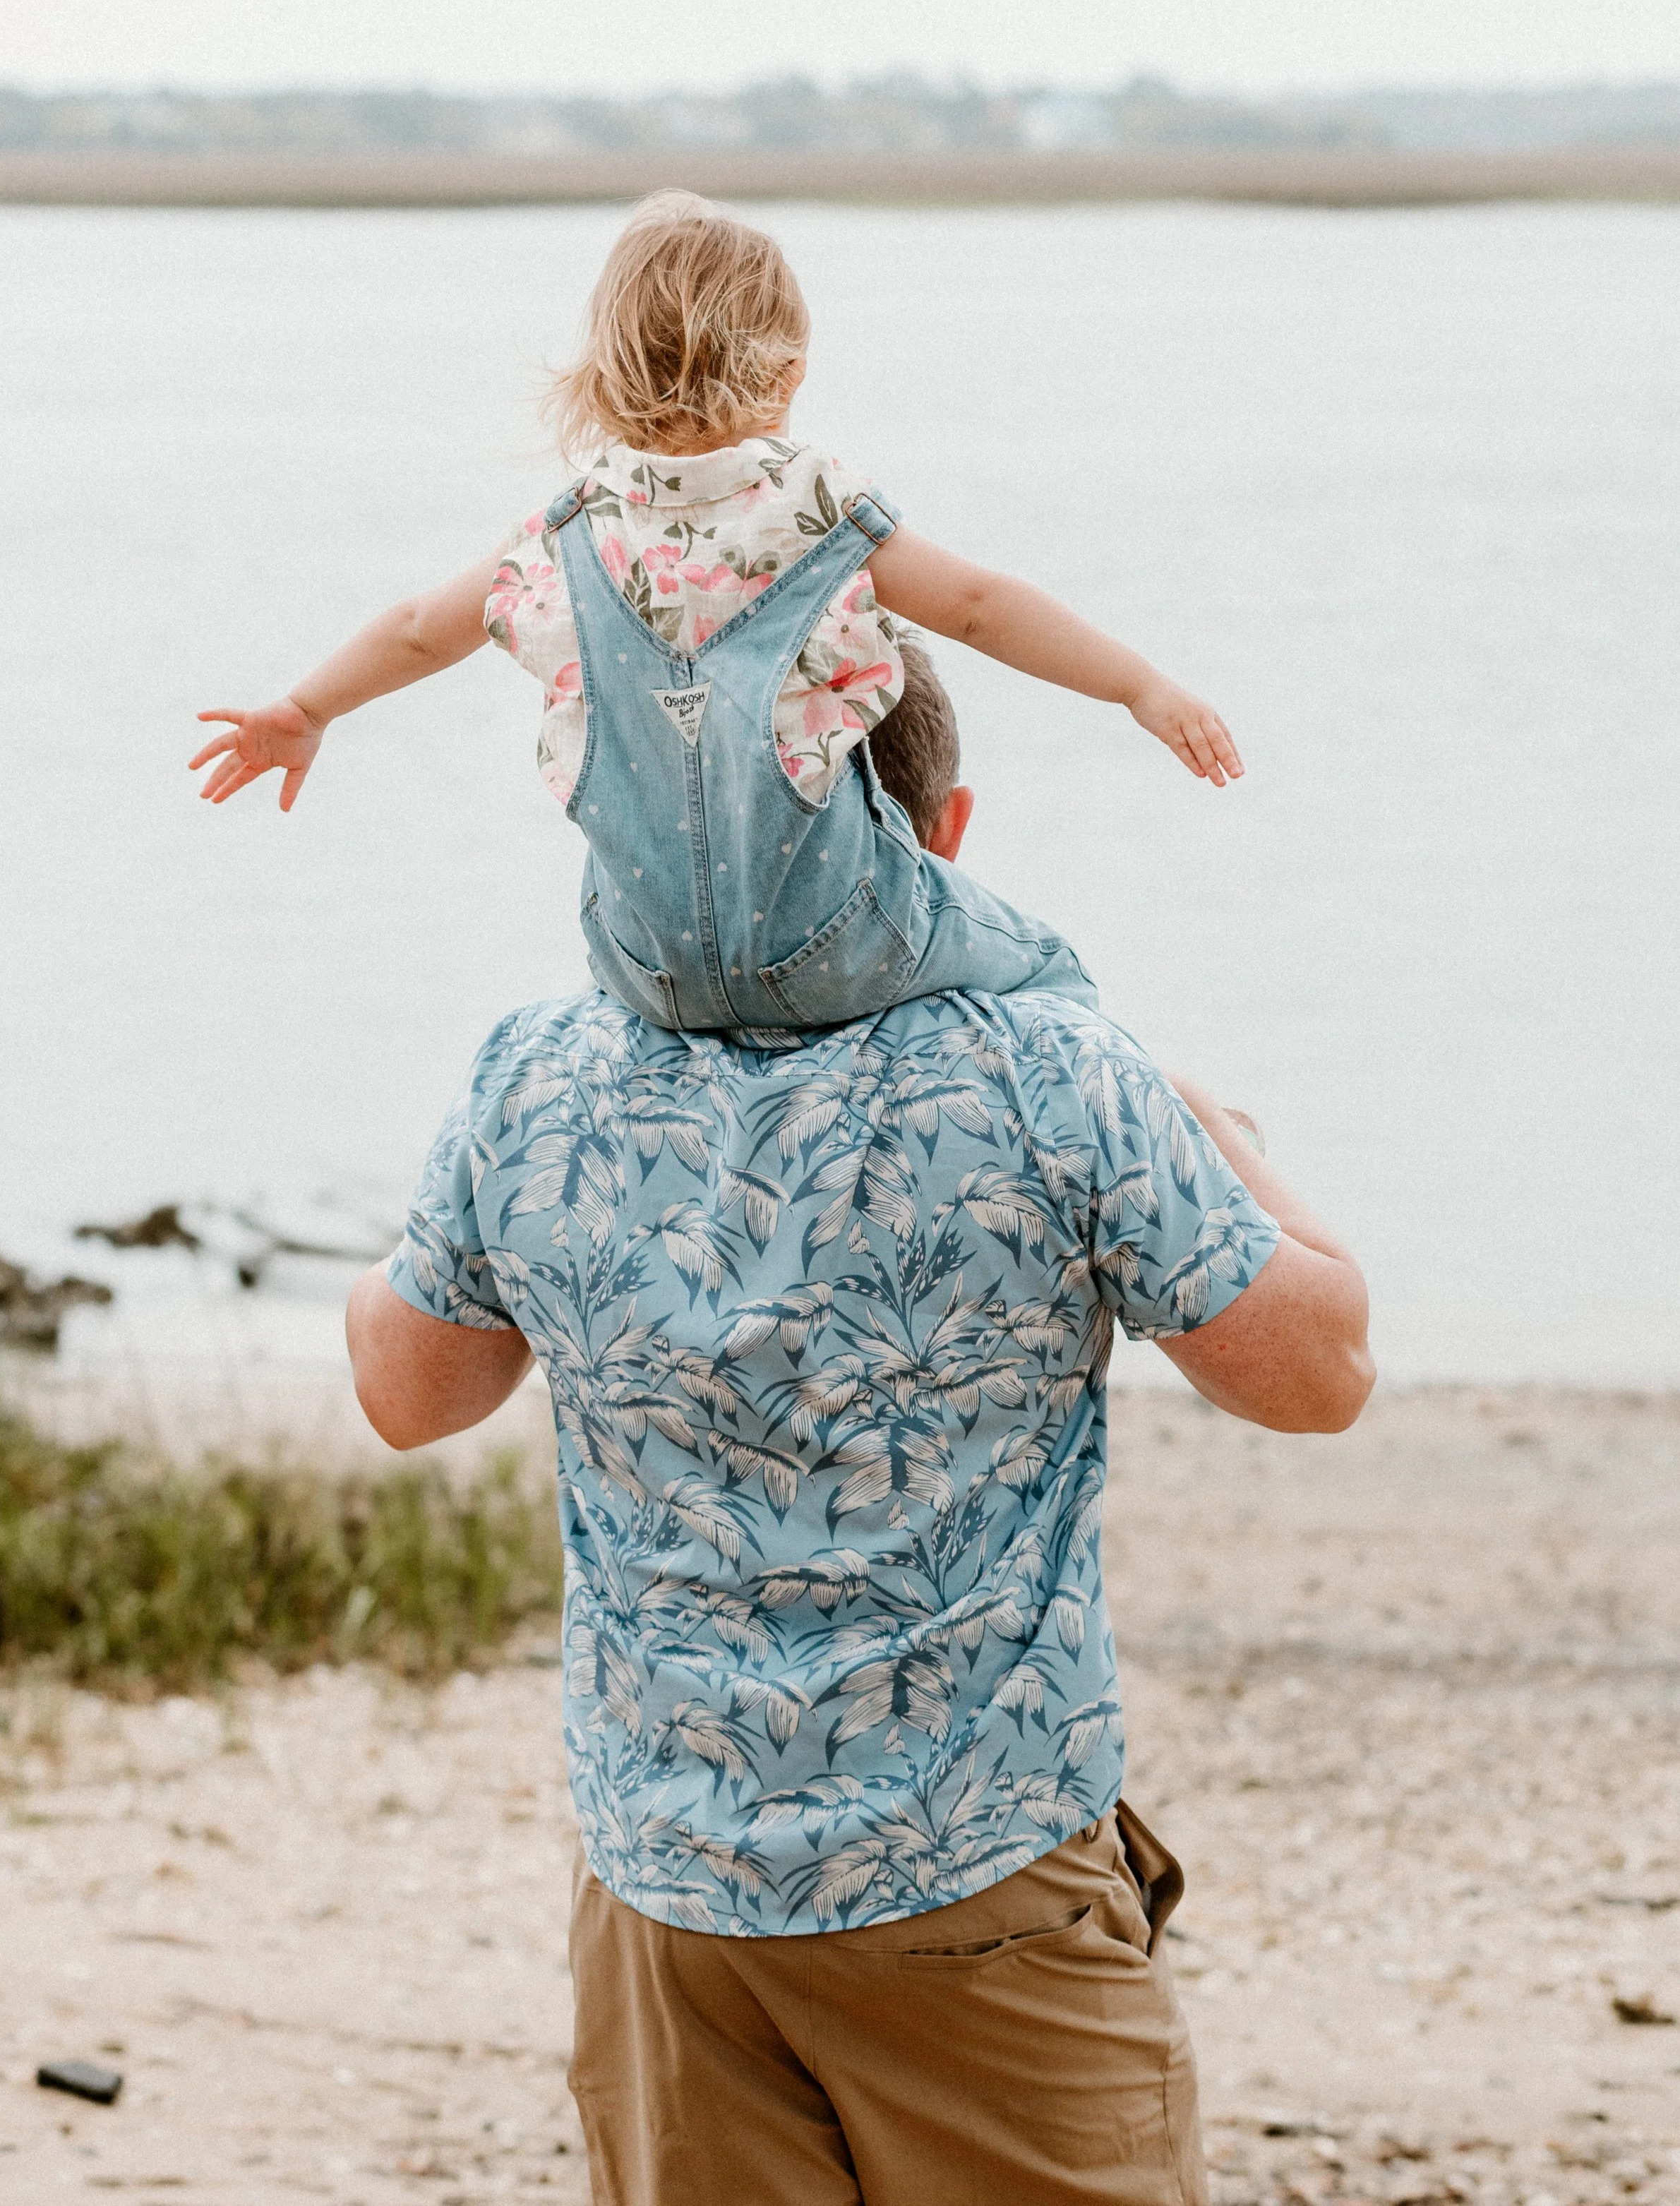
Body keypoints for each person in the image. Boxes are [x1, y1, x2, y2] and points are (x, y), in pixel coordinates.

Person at [345, 644, 1372, 2206]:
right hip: (974, 1876)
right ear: (939, 831)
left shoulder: (535, 1078)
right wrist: (1218, 1138)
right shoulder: (1052, 1074)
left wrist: (481, 1193)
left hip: (669, 1896)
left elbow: (405, 1395)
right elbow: (1321, 1376)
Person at [191, 192, 1242, 1033]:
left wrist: (305, 707)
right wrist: (1142, 687)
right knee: (1051, 976)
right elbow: (976, 605)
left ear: (601, 380)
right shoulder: (815, 507)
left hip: (644, 967)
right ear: (785, 378)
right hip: (833, 940)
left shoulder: (564, 534)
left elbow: (421, 624)